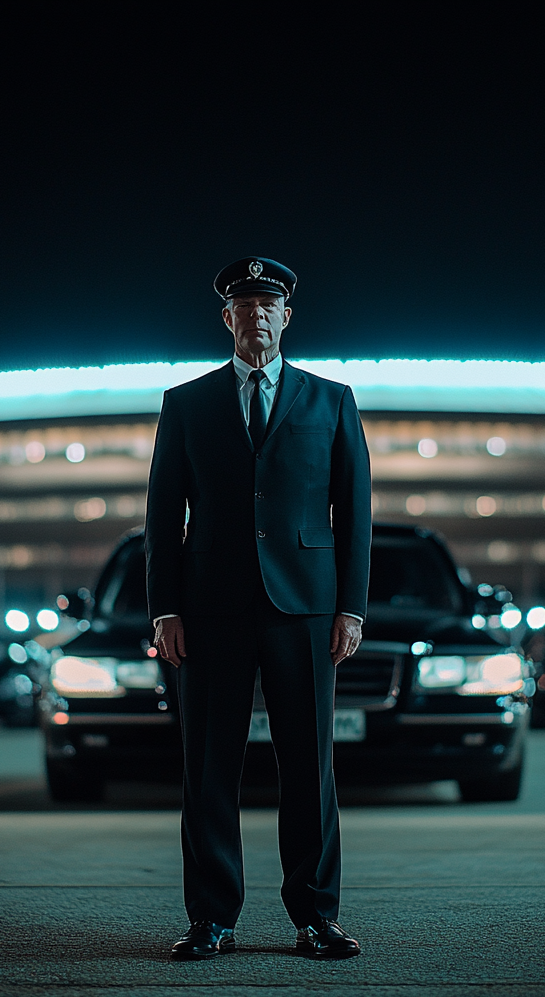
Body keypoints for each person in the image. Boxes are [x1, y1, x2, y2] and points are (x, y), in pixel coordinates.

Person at [145, 257, 372, 961]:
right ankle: (212, 919)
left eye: (268, 307)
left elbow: (355, 512)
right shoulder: (186, 403)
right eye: (244, 308)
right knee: (209, 768)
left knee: (309, 767)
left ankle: (316, 917)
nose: (257, 318)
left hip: (305, 607)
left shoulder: (332, 400)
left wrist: (352, 608)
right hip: (210, 608)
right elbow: (161, 515)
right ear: (228, 319)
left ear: (287, 317)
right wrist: (164, 610)